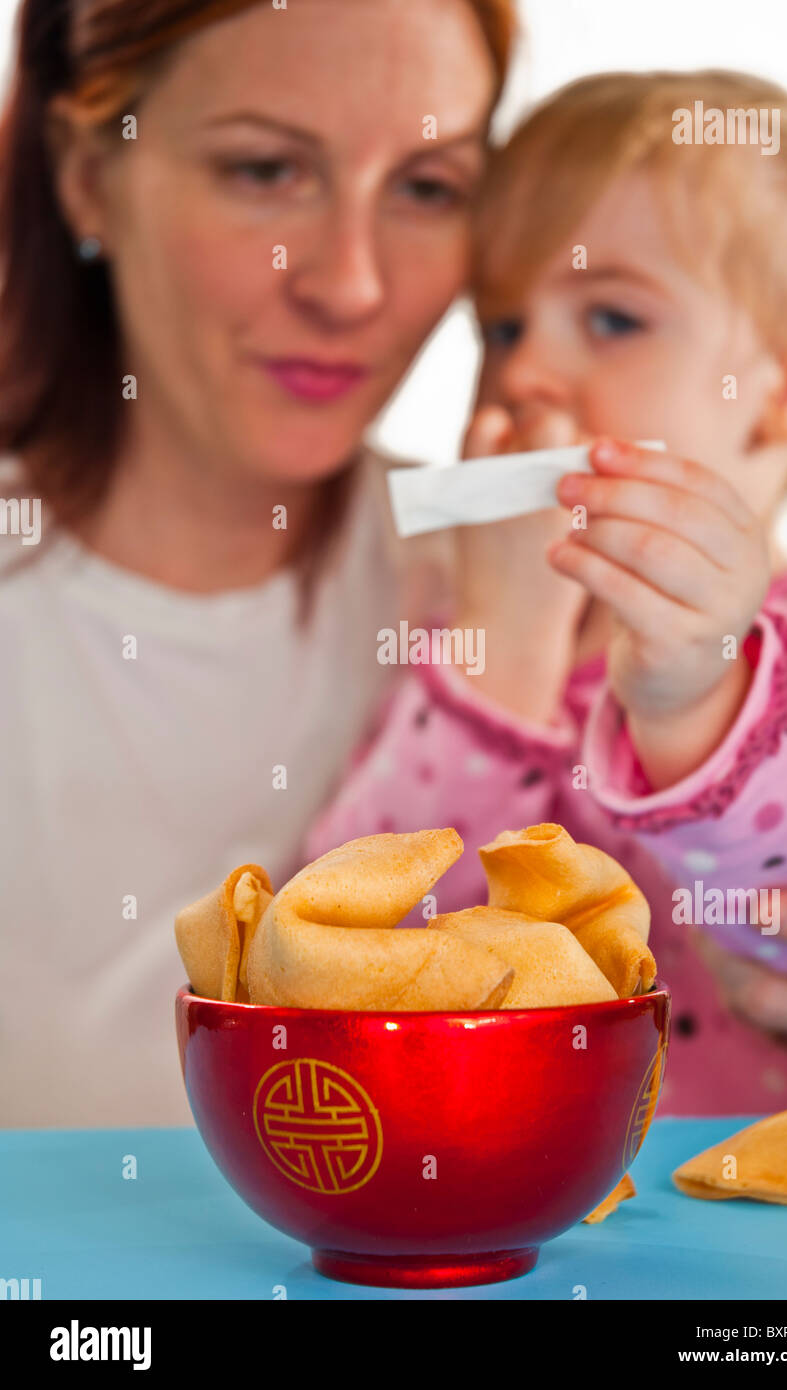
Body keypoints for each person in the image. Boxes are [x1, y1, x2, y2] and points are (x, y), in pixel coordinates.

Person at [0, 0, 517, 1127]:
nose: (351, 286)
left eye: (428, 186)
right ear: (87, 176)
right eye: (266, 170)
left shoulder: (531, 571)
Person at [305, 71, 787, 1114]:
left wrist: (693, 694)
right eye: (502, 329)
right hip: (516, 1224)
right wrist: (503, 642)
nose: (527, 378)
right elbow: (337, 956)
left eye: (609, 318)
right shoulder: (454, 656)